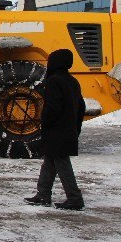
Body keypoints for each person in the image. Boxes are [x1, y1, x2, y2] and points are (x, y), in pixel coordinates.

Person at [25, 49, 86, 210]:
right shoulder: (73, 81)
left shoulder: (54, 81)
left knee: (62, 164)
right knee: (49, 163)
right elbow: (81, 107)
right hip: (68, 130)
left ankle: (75, 198)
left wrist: (44, 123)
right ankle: (43, 194)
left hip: (56, 130)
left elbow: (52, 107)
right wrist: (76, 127)